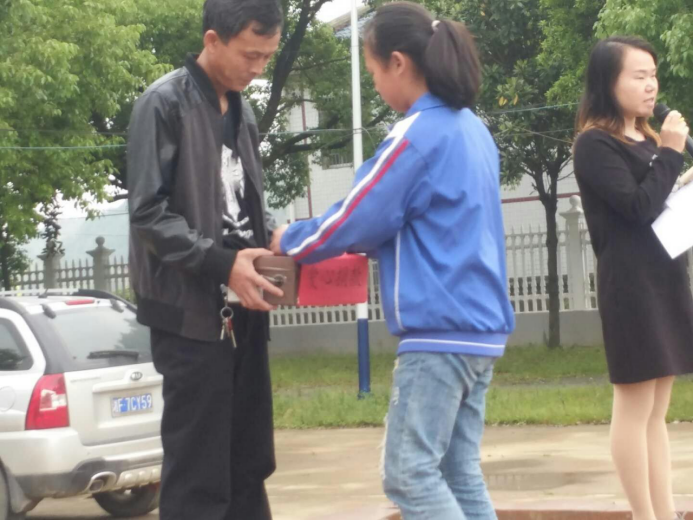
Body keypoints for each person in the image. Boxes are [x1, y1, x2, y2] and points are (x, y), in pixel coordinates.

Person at [270, 3, 515, 518]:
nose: (376, 84)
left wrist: (288, 239)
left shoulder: (417, 135)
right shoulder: (473, 129)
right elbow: (418, 223)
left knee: (408, 474)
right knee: (458, 471)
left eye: (373, 71)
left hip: (438, 332)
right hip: (481, 328)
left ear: (398, 63)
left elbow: (355, 217)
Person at [127, 0, 284, 518]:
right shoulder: (163, 103)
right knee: (199, 476)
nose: (259, 69)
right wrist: (221, 264)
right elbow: (148, 214)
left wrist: (272, 235)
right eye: (251, 55)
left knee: (250, 462)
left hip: (246, 310)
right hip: (190, 318)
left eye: (267, 57)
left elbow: (241, 203)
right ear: (212, 40)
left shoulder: (244, 112)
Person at [573, 36, 693, 520]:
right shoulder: (594, 144)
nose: (651, 85)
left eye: (653, 75)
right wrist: (672, 152)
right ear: (608, 82)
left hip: (666, 277)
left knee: (657, 411)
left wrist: (679, 180)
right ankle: (643, 515)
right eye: (639, 76)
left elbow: (656, 198)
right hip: (631, 286)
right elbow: (637, 206)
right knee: (634, 405)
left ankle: (666, 512)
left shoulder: (646, 141)